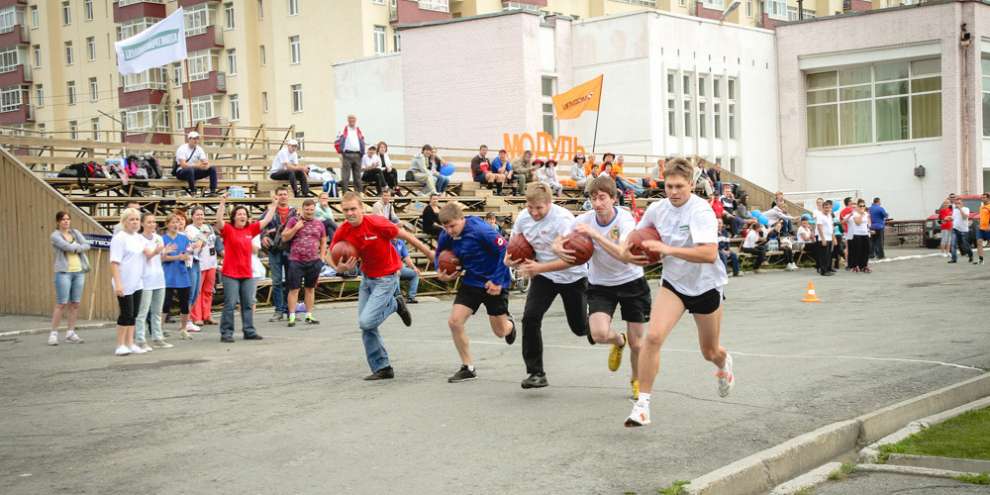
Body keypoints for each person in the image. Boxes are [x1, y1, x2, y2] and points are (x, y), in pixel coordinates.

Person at [623, 158, 733, 427]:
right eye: (669, 186)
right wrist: (627, 250)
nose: (673, 192)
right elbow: (635, 236)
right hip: (674, 283)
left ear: (691, 185)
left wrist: (667, 250)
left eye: (679, 187)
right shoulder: (657, 209)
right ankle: (642, 406)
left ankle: (723, 364)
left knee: (709, 351)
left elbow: (709, 254)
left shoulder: (701, 211)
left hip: (705, 285)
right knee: (653, 337)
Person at [327, 192, 436, 380]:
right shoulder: (343, 230)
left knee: (366, 322)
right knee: (366, 326)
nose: (350, 213)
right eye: (345, 210)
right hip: (367, 279)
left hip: (387, 278)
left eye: (353, 209)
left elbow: (405, 235)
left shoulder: (376, 223)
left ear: (362, 208)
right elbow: (329, 254)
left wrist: (428, 252)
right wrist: (339, 267)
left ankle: (394, 304)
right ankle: (383, 367)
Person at [569, 176, 650, 400]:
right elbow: (561, 239)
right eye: (593, 198)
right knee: (598, 334)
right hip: (601, 284)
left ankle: (636, 380)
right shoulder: (584, 220)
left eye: (602, 198)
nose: (597, 203)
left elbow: (623, 254)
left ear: (614, 198)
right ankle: (618, 341)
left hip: (632, 281)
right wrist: (559, 247)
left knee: (637, 344)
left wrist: (595, 235)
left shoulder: (625, 220)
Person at [505, 183, 589, 389]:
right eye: (530, 207)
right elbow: (513, 247)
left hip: (572, 276)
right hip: (544, 276)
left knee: (579, 328)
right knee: (530, 318)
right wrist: (510, 260)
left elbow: (573, 260)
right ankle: (536, 373)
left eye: (539, 208)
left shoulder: (563, 220)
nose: (534, 212)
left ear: (550, 203)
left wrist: (538, 268)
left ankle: (598, 326)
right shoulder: (523, 218)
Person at [435, 202, 516, 383]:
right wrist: (440, 271)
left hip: (494, 281)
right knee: (454, 322)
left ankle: (509, 324)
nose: (449, 231)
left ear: (461, 219)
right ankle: (468, 367)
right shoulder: (447, 234)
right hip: (472, 281)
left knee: (500, 331)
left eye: (453, 226)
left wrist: (497, 280)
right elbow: (439, 253)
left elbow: (505, 249)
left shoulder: (481, 230)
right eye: (446, 227)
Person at [216, 193, 277, 342]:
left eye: (244, 214)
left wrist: (274, 205)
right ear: (234, 217)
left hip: (247, 273)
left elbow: (266, 220)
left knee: (248, 303)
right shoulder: (228, 229)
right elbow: (218, 221)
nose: (242, 216)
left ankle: (249, 331)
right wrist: (222, 203)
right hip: (230, 273)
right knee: (230, 304)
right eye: (239, 214)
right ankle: (226, 333)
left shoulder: (250, 229)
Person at [110, 208, 154, 356]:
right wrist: (118, 283)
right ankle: (120, 344)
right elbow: (114, 262)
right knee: (126, 313)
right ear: (124, 222)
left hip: (137, 281)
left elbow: (148, 254)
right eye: (131, 219)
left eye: (137, 219)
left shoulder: (139, 238)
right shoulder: (119, 238)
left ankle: (130, 343)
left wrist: (159, 250)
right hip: (124, 281)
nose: (135, 222)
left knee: (134, 313)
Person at [282, 198, 327, 327]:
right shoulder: (294, 221)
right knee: (294, 289)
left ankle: (309, 315)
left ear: (314, 209)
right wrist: (296, 228)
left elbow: (323, 240)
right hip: (296, 260)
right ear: (302, 209)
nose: (309, 212)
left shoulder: (319, 223)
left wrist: (322, 257)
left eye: (311, 209)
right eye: (307, 209)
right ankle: (291, 315)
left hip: (313, 261)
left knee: (310, 288)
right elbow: (284, 237)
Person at [49, 211, 91, 346]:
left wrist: (76, 247)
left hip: (79, 271)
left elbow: (87, 245)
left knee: (75, 304)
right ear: (58, 222)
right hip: (64, 272)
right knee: (61, 303)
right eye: (63, 219)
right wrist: (78, 247)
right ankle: (53, 334)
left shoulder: (75, 233)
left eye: (68, 219)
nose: (66, 221)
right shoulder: (55, 235)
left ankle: (70, 333)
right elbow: (67, 247)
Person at [134, 213, 173, 352]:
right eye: (149, 222)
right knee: (143, 312)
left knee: (157, 311)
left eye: (154, 222)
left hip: (159, 278)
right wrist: (157, 251)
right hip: (145, 279)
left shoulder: (158, 238)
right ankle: (140, 339)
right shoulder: (139, 239)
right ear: (142, 224)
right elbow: (148, 255)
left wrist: (165, 252)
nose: (152, 224)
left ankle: (158, 337)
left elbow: (160, 258)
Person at [262, 187, 295, 321]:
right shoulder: (269, 212)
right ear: (276, 196)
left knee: (290, 281)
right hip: (274, 250)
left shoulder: (294, 212)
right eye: (280, 194)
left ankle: (289, 310)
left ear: (288, 196)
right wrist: (263, 236)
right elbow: (260, 225)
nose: (283, 196)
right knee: (276, 281)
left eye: (285, 194)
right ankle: (278, 310)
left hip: (290, 249)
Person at [161, 213, 192, 342]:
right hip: (168, 275)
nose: (175, 225)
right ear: (167, 224)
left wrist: (187, 255)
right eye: (173, 222)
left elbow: (188, 252)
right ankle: (159, 329)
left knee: (184, 303)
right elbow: (162, 258)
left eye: (177, 222)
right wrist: (177, 257)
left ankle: (184, 329)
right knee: (165, 304)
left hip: (182, 274)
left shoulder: (184, 238)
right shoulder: (162, 239)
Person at [187, 207, 218, 328]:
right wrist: (203, 235)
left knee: (208, 290)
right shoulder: (189, 229)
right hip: (199, 263)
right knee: (197, 291)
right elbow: (194, 244)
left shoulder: (208, 227)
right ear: (192, 216)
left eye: (202, 214)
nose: (200, 217)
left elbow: (214, 242)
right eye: (197, 214)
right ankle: (197, 316)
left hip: (211, 262)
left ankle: (207, 314)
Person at [174, 131, 217, 196]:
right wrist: (197, 166)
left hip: (193, 173)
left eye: (197, 139)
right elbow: (183, 165)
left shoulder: (199, 149)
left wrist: (205, 165)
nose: (196, 141)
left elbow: (205, 162)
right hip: (181, 172)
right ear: (189, 139)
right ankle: (193, 192)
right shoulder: (182, 149)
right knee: (190, 169)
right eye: (194, 139)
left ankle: (213, 191)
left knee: (212, 168)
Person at [335, 114, 365, 193]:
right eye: (350, 119)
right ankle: (345, 193)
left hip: (357, 155)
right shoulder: (343, 130)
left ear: (355, 120)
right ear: (348, 120)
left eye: (353, 119)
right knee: (345, 176)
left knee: (357, 177)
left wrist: (362, 152)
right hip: (347, 155)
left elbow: (362, 141)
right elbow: (337, 142)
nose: (352, 120)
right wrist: (340, 152)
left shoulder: (358, 130)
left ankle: (358, 194)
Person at [393, 238, 420, 304]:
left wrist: (414, 267)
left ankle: (411, 298)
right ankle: (398, 298)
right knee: (396, 274)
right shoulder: (386, 242)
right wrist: (395, 269)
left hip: (399, 267)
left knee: (415, 274)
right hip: (388, 269)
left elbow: (406, 257)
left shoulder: (400, 242)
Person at [848, 199, 872, 273]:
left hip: (865, 234)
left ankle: (864, 266)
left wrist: (869, 229)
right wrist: (861, 214)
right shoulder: (855, 214)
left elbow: (869, 224)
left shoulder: (866, 213)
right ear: (857, 207)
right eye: (860, 206)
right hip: (857, 234)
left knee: (866, 250)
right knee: (857, 251)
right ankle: (856, 266)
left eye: (863, 206)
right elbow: (858, 223)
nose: (862, 207)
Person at [949, 194, 973, 264]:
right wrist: (948, 218)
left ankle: (970, 255)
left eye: (958, 203)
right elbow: (953, 218)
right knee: (953, 244)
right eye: (956, 203)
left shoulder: (966, 209)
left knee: (966, 245)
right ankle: (954, 259)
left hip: (964, 230)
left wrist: (960, 209)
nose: (957, 204)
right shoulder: (955, 210)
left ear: (962, 203)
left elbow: (965, 217)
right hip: (955, 229)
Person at [814, 200, 836, 276]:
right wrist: (823, 238)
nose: (827, 209)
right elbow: (819, 228)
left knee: (828, 255)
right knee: (823, 255)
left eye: (828, 208)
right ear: (823, 208)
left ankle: (827, 269)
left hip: (829, 237)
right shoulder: (820, 216)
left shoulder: (829, 215)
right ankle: (823, 271)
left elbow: (831, 228)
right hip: (823, 238)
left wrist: (833, 238)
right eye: (826, 208)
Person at [977, 192, 990, 265]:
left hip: (988, 228)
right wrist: (979, 223)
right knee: (979, 242)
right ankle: (981, 259)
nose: (982, 199)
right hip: (981, 228)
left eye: (984, 197)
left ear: (988, 198)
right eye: (982, 197)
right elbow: (982, 217)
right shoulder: (981, 207)